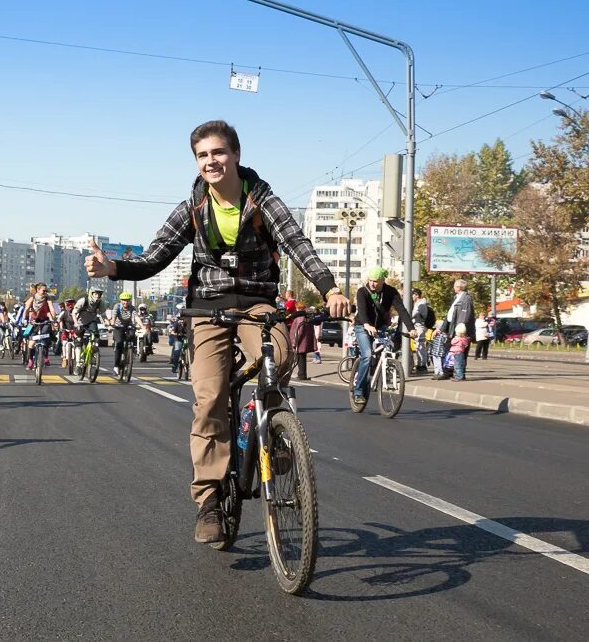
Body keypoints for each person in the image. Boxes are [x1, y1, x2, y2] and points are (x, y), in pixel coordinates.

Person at [86, 120, 351, 546]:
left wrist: (330, 288)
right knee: (209, 398)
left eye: (218, 153)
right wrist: (113, 269)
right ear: (197, 162)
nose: (211, 161)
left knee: (278, 357)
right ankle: (209, 501)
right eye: (202, 155)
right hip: (206, 308)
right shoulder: (192, 205)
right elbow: (155, 258)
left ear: (236, 156)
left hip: (256, 303)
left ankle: (266, 428)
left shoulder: (263, 200)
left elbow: (299, 244)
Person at [352, 267, 417, 404]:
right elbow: (362, 311)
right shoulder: (362, 292)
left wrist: (411, 328)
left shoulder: (391, 292)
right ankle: (358, 391)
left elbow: (402, 310)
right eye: (370, 280)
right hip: (362, 326)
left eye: (376, 281)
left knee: (388, 348)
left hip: (380, 326)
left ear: (383, 280)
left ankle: (379, 372)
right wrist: (366, 324)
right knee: (368, 355)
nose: (372, 284)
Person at [23, 282, 57, 370]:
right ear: (38, 290)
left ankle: (45, 356)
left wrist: (54, 320)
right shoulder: (32, 297)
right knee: (31, 343)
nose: (45, 292)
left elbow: (52, 309)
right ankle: (30, 360)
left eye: (46, 291)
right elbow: (26, 308)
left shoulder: (47, 298)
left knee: (45, 337)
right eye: (44, 290)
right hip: (34, 321)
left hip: (45, 320)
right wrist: (24, 319)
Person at [108, 292, 143, 373]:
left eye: (127, 300)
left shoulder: (132, 308)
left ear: (129, 301)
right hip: (118, 327)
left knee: (132, 337)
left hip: (128, 326)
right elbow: (114, 315)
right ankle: (116, 365)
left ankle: (131, 353)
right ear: (121, 300)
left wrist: (142, 326)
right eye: (124, 300)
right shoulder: (117, 306)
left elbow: (136, 317)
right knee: (119, 342)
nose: (125, 302)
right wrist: (112, 323)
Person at [446, 278, 476, 367]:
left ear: (459, 287)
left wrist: (459, 331)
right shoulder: (456, 297)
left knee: (460, 351)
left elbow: (465, 315)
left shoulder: (466, 298)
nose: (453, 288)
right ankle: (452, 370)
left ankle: (459, 373)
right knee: (453, 350)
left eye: (454, 286)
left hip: (460, 330)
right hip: (453, 327)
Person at [289, 302, 317, 380]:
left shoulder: (300, 317)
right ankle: (302, 374)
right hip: (305, 341)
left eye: (297, 308)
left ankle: (301, 374)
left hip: (300, 341)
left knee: (300, 358)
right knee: (302, 357)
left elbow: (299, 330)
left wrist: (294, 342)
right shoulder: (307, 316)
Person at [410, 287, 433, 374]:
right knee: (419, 345)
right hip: (419, 326)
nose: (411, 296)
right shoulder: (419, 303)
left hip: (419, 327)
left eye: (412, 294)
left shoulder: (420, 304)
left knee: (419, 345)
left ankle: (422, 365)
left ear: (416, 295)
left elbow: (412, 314)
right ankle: (420, 364)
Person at [168, 310, 186, 375]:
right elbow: (172, 330)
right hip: (179, 339)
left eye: (183, 318)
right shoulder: (176, 323)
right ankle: (174, 368)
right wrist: (175, 333)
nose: (182, 320)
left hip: (187, 339)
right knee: (177, 352)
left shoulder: (188, 323)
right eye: (180, 318)